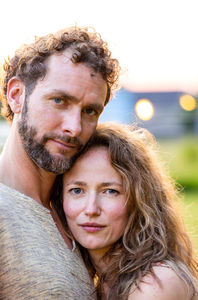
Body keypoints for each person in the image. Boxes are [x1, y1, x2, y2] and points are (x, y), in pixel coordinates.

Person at [0, 26, 120, 299]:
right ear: (17, 95)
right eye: (59, 101)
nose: (75, 128)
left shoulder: (80, 210)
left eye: (90, 111)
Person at [56, 122, 198, 299]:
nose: (91, 209)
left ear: (139, 199)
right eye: (77, 190)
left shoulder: (155, 284)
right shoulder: (100, 283)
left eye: (110, 191)